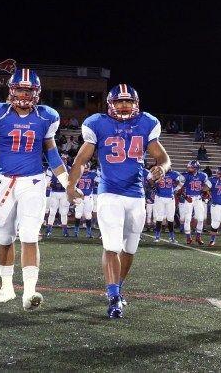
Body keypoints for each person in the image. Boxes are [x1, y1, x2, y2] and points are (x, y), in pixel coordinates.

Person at [68, 83, 171, 319]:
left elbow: (162, 157)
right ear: (110, 104)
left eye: (128, 102)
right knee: (112, 246)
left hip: (136, 195)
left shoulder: (147, 123)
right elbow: (82, 160)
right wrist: (71, 185)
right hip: (109, 193)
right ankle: (113, 296)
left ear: (136, 104)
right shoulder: (98, 124)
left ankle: (118, 286)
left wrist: (162, 168)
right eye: (119, 102)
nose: (124, 106)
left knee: (130, 249)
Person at [0, 60, 67, 310]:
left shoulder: (46, 116)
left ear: (36, 93)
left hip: (33, 181)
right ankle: (6, 287)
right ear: (11, 90)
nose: (24, 95)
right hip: (4, 180)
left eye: (29, 90)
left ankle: (30, 291)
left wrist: (68, 182)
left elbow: (53, 153)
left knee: (28, 235)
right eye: (20, 89)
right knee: (5, 237)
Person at [177, 160, 211, 245]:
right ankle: (188, 237)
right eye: (188, 167)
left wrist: (204, 191)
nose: (189, 168)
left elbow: (209, 185)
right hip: (189, 198)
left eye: (191, 167)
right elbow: (178, 189)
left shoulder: (203, 175)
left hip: (198, 199)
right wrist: (185, 197)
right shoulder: (185, 175)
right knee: (187, 219)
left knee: (200, 218)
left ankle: (198, 237)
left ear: (196, 168)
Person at [151, 167, 183, 243]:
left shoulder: (174, 174)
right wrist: (155, 184)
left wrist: (176, 189)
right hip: (159, 197)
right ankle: (157, 236)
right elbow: (151, 182)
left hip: (170, 198)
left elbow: (182, 180)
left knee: (170, 218)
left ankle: (171, 237)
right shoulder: (158, 172)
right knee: (159, 217)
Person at [45, 155, 71, 237]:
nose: (64, 161)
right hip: (54, 192)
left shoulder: (70, 169)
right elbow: (46, 182)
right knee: (52, 212)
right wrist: (52, 185)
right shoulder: (51, 168)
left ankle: (65, 231)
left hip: (64, 193)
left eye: (65, 159)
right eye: (62, 159)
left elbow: (73, 182)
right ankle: (49, 230)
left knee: (64, 212)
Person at [73, 162, 97, 238]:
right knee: (78, 214)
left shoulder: (93, 174)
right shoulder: (78, 174)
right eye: (85, 168)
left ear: (89, 168)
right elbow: (73, 186)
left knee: (88, 215)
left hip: (88, 197)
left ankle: (88, 233)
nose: (86, 169)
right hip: (79, 197)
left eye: (87, 168)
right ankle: (76, 232)